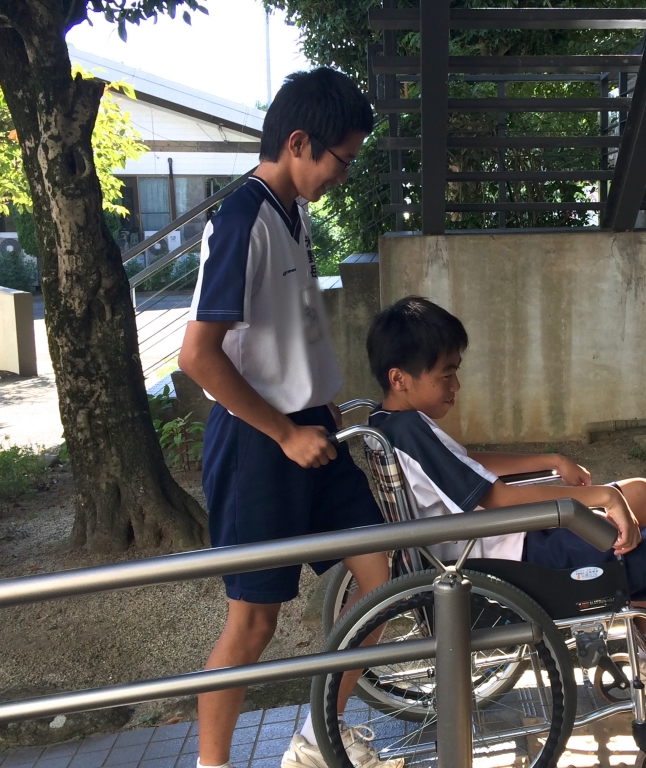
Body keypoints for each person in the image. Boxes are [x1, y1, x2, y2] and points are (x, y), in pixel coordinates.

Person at [362, 296, 646, 732]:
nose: (456, 386)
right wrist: (599, 499)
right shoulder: (411, 429)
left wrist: (552, 459)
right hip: (510, 564)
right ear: (399, 378)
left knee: (644, 495)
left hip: (497, 545)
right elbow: (497, 500)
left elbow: (468, 464)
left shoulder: (391, 423)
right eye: (446, 375)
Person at [178, 68, 400, 768]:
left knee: (385, 582)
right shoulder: (241, 218)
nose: (343, 174)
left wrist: (321, 408)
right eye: (342, 158)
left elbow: (289, 336)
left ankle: (315, 740)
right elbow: (198, 356)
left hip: (313, 430)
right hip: (258, 443)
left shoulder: (293, 213)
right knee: (254, 622)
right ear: (299, 142)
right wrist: (283, 431)